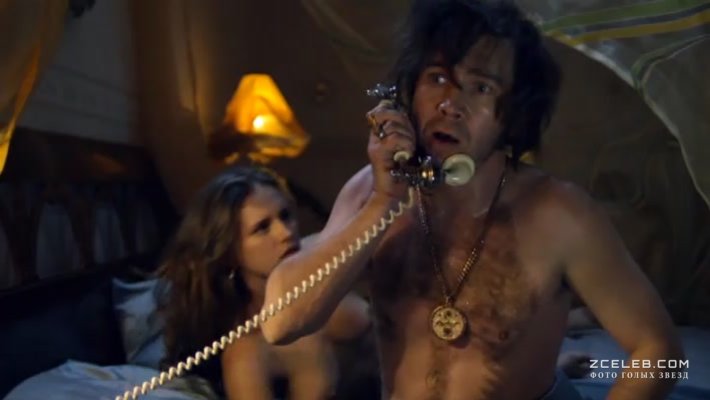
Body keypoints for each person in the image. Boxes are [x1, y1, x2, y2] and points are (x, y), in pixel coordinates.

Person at [260, 1, 683, 399]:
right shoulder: (371, 193)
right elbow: (280, 323)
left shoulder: (560, 213)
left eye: (480, 87)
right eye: (437, 78)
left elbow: (661, 354)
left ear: (513, 114)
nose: (450, 105)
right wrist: (382, 204)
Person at [158, 166, 371, 400]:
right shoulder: (246, 354)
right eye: (262, 228)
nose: (285, 233)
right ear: (229, 253)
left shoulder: (326, 260)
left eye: (285, 216)